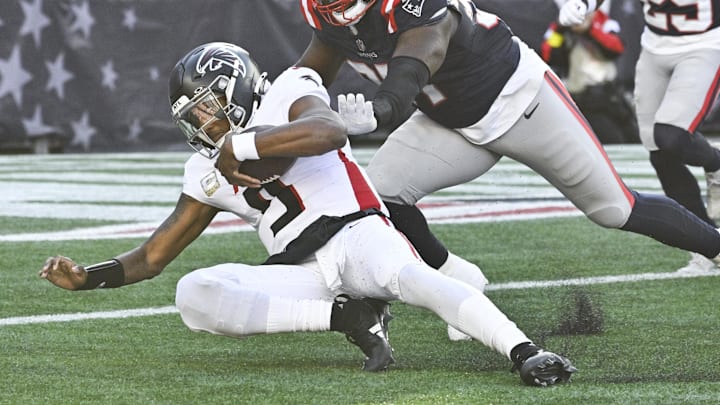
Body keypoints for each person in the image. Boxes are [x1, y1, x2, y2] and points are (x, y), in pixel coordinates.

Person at [40, 42, 576, 386]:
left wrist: (244, 148)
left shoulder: (288, 93)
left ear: (237, 87)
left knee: (415, 279)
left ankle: (524, 350)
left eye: (206, 105)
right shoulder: (201, 170)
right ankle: (348, 316)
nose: (202, 122)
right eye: (193, 114)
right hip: (302, 272)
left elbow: (329, 132)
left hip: (355, 233)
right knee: (194, 295)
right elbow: (154, 257)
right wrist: (89, 278)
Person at [290, 0, 720, 293]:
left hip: (520, 101)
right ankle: (459, 280)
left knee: (615, 209)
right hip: (451, 123)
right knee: (378, 196)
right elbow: (304, 77)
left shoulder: (418, 8)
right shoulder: (327, 19)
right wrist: (259, 121)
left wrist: (380, 113)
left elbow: (411, 71)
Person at [558, 0, 720, 272]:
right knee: (659, 152)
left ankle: (715, 163)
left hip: (704, 44)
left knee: (672, 135)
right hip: (654, 48)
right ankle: (708, 246)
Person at [541, 0, 639, 144]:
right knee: (613, 140)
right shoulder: (560, 27)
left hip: (609, 96)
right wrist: (561, 30)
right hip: (582, 99)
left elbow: (616, 48)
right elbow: (547, 54)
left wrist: (590, 30)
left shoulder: (604, 22)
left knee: (634, 138)